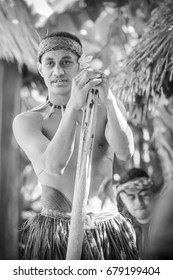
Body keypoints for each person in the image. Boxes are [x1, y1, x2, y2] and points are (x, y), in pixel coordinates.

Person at [13, 31, 139, 260]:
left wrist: (109, 101)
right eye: (50, 63)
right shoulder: (28, 121)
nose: (58, 71)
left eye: (66, 62)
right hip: (56, 230)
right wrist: (72, 107)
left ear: (79, 66)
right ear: (41, 69)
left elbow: (125, 152)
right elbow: (53, 166)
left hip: (108, 228)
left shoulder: (107, 106)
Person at [115, 168, 158, 259]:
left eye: (144, 195)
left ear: (153, 193)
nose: (139, 202)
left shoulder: (167, 223)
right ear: (123, 200)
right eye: (131, 197)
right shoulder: (121, 231)